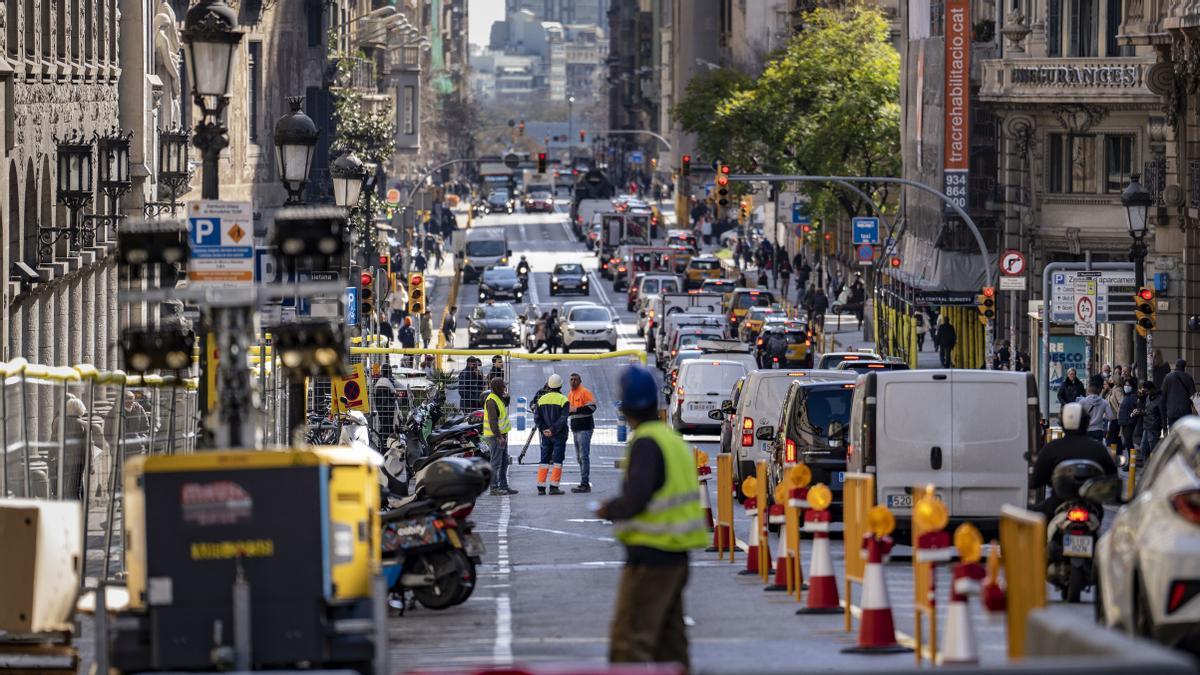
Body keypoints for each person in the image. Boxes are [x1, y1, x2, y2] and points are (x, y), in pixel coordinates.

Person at [596, 365, 708, 670]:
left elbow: (637, 498)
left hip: (650, 556)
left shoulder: (645, 442)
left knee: (630, 640)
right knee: (670, 643)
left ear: (625, 406)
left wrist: (609, 509)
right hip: (676, 556)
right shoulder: (672, 440)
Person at [1031, 402, 1118, 518]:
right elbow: (1112, 477)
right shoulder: (1098, 448)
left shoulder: (1052, 448)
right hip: (1092, 505)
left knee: (1031, 516)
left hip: (1058, 503)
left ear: (1062, 423)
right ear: (1086, 423)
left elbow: (1036, 480)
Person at [534, 374, 571, 495]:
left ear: (549, 385)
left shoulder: (542, 399)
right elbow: (563, 418)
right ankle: (554, 487)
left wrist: (545, 429)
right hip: (559, 434)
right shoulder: (563, 400)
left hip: (545, 435)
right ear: (560, 385)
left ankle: (541, 487)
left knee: (544, 459)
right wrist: (553, 430)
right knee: (557, 460)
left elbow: (537, 418)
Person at [483, 377, 518, 496]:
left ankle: (503, 485)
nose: (505, 388)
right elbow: (493, 422)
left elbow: (505, 403)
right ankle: (494, 488)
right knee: (496, 462)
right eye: (503, 386)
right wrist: (499, 437)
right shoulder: (491, 401)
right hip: (495, 436)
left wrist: (506, 396)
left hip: (501, 435)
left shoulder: (498, 398)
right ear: (498, 387)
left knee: (504, 462)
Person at [568, 372, 597, 493]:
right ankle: (583, 482)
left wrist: (575, 409)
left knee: (583, 456)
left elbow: (592, 407)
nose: (573, 381)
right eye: (571, 380)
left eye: (575, 379)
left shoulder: (585, 392)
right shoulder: (570, 394)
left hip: (584, 429)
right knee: (580, 458)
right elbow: (568, 411)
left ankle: (585, 483)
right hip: (575, 429)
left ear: (580, 381)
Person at [1161, 358, 1196, 428]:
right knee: (1184, 433)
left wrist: (1164, 410)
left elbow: (1163, 395)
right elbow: (1193, 395)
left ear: (1176, 366)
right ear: (1184, 367)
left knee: (1173, 433)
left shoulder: (1168, 377)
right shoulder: (1188, 377)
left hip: (1172, 411)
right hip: (1185, 412)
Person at [1137, 380, 1164, 459]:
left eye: (1147, 391)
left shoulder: (1159, 399)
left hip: (1154, 429)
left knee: (1154, 450)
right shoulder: (1148, 397)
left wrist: (1163, 429)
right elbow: (1146, 410)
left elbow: (1162, 415)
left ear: (1152, 389)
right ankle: (1146, 467)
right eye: (1145, 391)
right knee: (1143, 449)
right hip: (1146, 427)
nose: (1146, 393)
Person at [372, 364, 398, 441]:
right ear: (390, 371)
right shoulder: (389, 381)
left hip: (380, 408)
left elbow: (374, 394)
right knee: (389, 427)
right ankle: (387, 443)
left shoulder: (378, 381)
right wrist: (396, 396)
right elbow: (394, 392)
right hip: (389, 408)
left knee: (383, 425)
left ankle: (381, 442)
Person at [1117, 376, 1139, 456]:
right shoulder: (1126, 396)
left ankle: (1131, 462)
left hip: (1129, 422)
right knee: (1127, 442)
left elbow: (1136, 408)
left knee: (1128, 442)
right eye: (1125, 385)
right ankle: (1130, 461)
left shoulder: (1134, 397)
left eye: (1128, 385)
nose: (1126, 387)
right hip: (1124, 422)